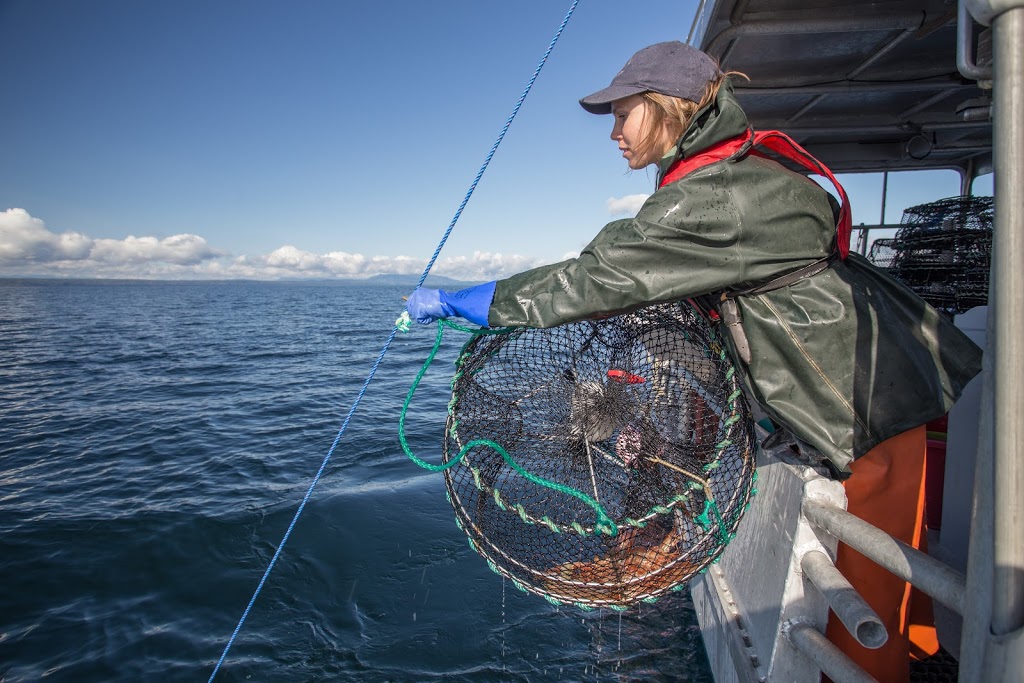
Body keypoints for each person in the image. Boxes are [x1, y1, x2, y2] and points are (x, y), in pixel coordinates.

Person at [406, 41, 981, 681]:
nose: (616, 134)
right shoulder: (727, 173)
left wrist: (469, 301)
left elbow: (599, 280)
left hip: (870, 406)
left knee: (872, 611)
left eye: (624, 115)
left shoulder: (713, 198)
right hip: (874, 387)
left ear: (665, 109)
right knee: (903, 589)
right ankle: (927, 644)